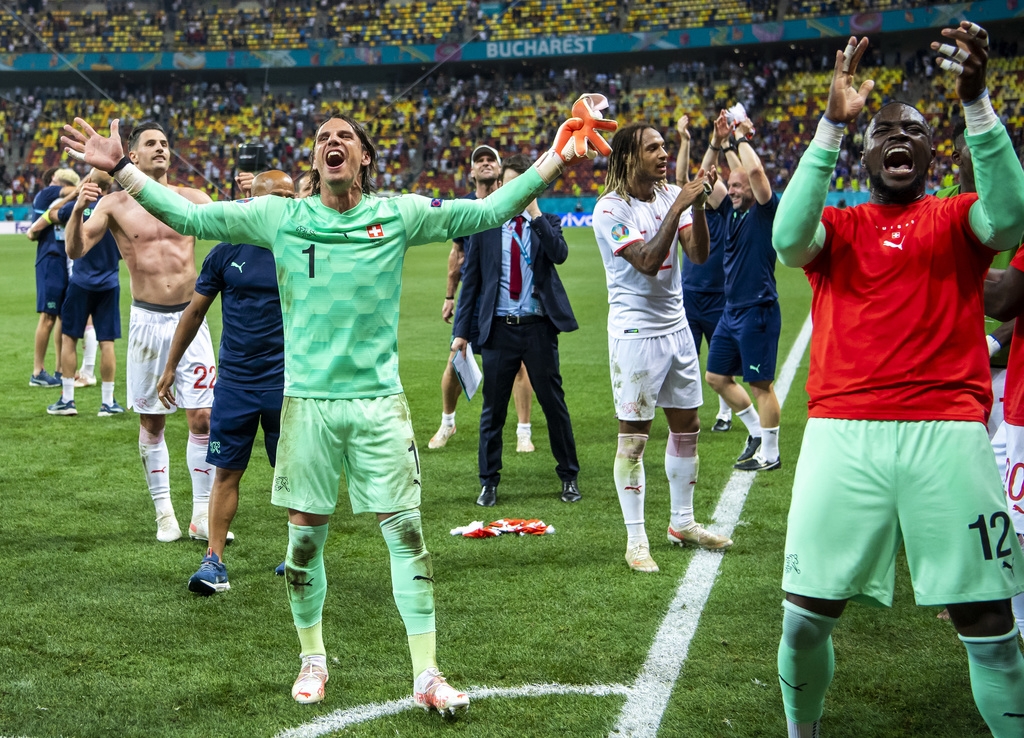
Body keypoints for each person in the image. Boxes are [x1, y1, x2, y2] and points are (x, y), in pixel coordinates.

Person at [63, 97, 611, 709]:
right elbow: (191, 220)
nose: (333, 141)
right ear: (315, 160)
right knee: (303, 543)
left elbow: (489, 208)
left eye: (345, 135)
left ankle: (426, 674)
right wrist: (121, 173)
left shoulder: (398, 214)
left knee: (407, 538)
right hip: (308, 406)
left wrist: (559, 155)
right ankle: (313, 659)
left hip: (380, 405)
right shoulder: (280, 217)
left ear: (363, 157)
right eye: (323, 135)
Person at [772, 26, 1024, 737]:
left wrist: (977, 103)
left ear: (932, 152)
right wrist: (829, 123)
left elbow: (1010, 213)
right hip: (841, 435)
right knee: (800, 622)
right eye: (885, 132)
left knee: (989, 627)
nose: (899, 139)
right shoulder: (839, 228)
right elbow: (787, 240)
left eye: (913, 130)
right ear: (867, 151)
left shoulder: (955, 221)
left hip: (948, 434)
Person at [63, 121, 217, 544]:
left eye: (166, 143)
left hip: (193, 320)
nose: (161, 149)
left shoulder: (193, 199)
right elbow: (75, 250)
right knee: (153, 420)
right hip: (148, 322)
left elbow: (233, 233)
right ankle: (164, 513)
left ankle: (201, 515)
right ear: (132, 156)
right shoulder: (114, 205)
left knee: (203, 417)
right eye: (151, 143)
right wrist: (79, 207)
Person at [593, 121, 732, 574]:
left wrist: (700, 206)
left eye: (663, 147)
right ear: (628, 157)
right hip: (635, 334)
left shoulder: (671, 194)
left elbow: (697, 255)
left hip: (677, 327)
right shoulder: (610, 209)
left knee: (688, 425)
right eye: (652, 148)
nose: (663, 154)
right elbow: (650, 262)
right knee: (634, 439)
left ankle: (682, 522)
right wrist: (679, 206)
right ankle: (636, 541)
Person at [157, 170, 294, 595]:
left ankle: (299, 556)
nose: (290, 203)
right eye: (283, 196)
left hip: (287, 383)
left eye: (293, 195)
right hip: (235, 382)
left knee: (292, 475)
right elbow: (194, 313)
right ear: (254, 201)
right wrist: (170, 366)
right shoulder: (224, 253)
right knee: (226, 472)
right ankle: (213, 562)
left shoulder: (301, 248)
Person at [452, 154, 580, 507]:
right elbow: (471, 283)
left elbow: (560, 254)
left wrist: (535, 214)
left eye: (523, 183)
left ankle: (569, 476)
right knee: (493, 411)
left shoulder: (547, 221)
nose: (514, 190)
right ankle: (488, 482)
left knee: (554, 406)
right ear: (499, 187)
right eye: (509, 184)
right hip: (498, 331)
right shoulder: (486, 228)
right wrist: (460, 333)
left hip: (538, 328)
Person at [430, 144, 536, 453]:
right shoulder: (463, 205)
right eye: (480, 160)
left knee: (519, 365)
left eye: (491, 159)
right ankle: (448, 423)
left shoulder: (511, 202)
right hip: (474, 297)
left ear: (501, 172)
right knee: (456, 358)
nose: (486, 163)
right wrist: (450, 296)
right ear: (472, 171)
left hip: (505, 297)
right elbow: (457, 253)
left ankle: (523, 431)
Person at [704, 111, 783, 472]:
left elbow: (754, 174)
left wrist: (740, 136)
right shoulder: (731, 212)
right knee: (717, 377)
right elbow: (724, 177)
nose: (731, 190)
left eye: (737, 187)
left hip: (758, 309)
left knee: (760, 384)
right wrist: (721, 142)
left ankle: (771, 453)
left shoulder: (764, 211)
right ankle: (754, 432)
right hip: (731, 310)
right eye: (730, 186)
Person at [40, 169, 125, 417]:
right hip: (109, 281)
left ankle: (68, 399)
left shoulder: (81, 205)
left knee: (70, 338)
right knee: (106, 341)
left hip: (80, 280)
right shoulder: (117, 209)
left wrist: (77, 196)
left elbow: (53, 214)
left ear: (90, 182)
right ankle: (108, 403)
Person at [676, 114, 732, 432]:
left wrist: (715, 144)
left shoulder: (723, 213)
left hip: (718, 296)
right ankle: (688, 411)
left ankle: (724, 412)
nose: (708, 189)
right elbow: (689, 177)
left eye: (713, 186)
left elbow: (697, 177)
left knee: (719, 359)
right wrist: (686, 140)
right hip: (689, 294)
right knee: (687, 359)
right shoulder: (691, 211)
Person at [27, 167, 80, 387]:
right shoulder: (47, 193)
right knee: (48, 316)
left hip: (64, 260)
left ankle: (60, 369)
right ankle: (37, 372)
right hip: (50, 259)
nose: (52, 181)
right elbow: (74, 190)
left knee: (61, 316)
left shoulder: (65, 201)